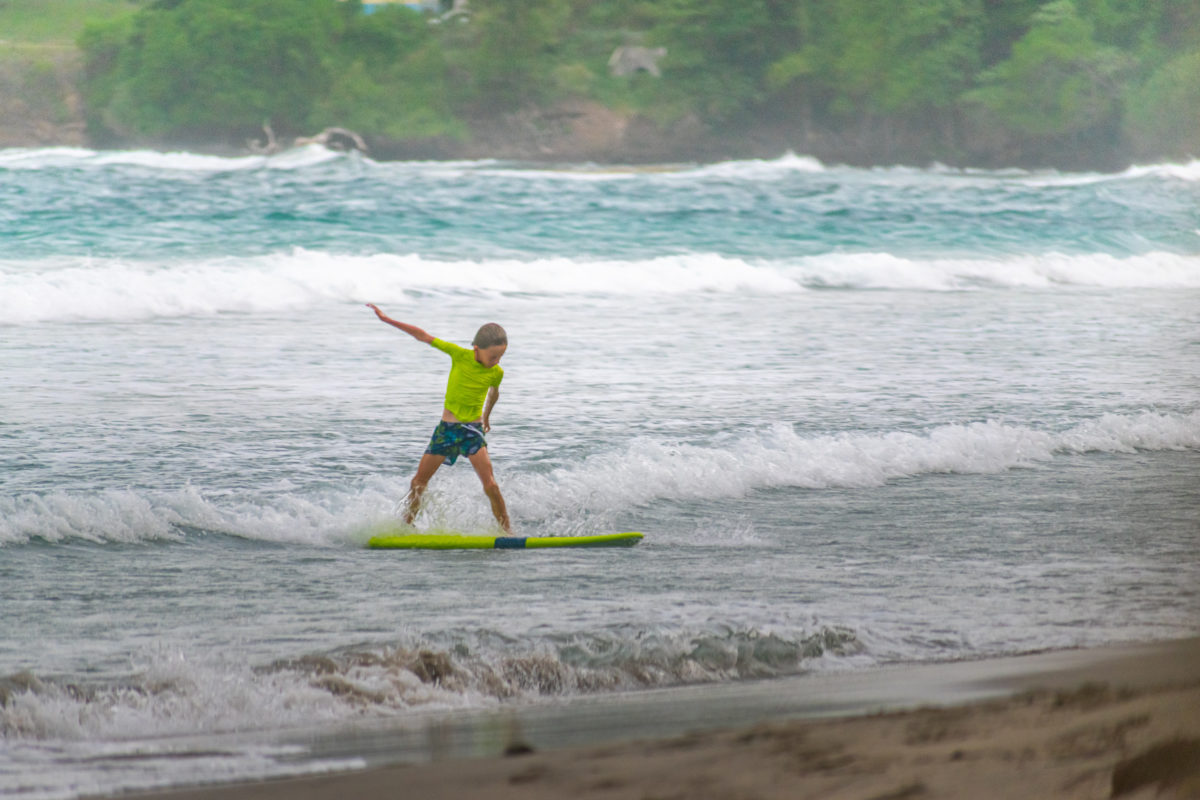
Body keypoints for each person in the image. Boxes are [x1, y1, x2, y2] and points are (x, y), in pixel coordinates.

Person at [366, 303, 511, 533]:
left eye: (501, 356)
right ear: (476, 348)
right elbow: (422, 335)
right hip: (447, 430)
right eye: (493, 356)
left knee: (491, 485)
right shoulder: (459, 355)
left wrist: (486, 417)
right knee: (418, 483)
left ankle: (507, 532)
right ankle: (406, 527)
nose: (497, 361)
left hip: (472, 431)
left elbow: (494, 392)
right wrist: (387, 319)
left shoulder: (496, 372)